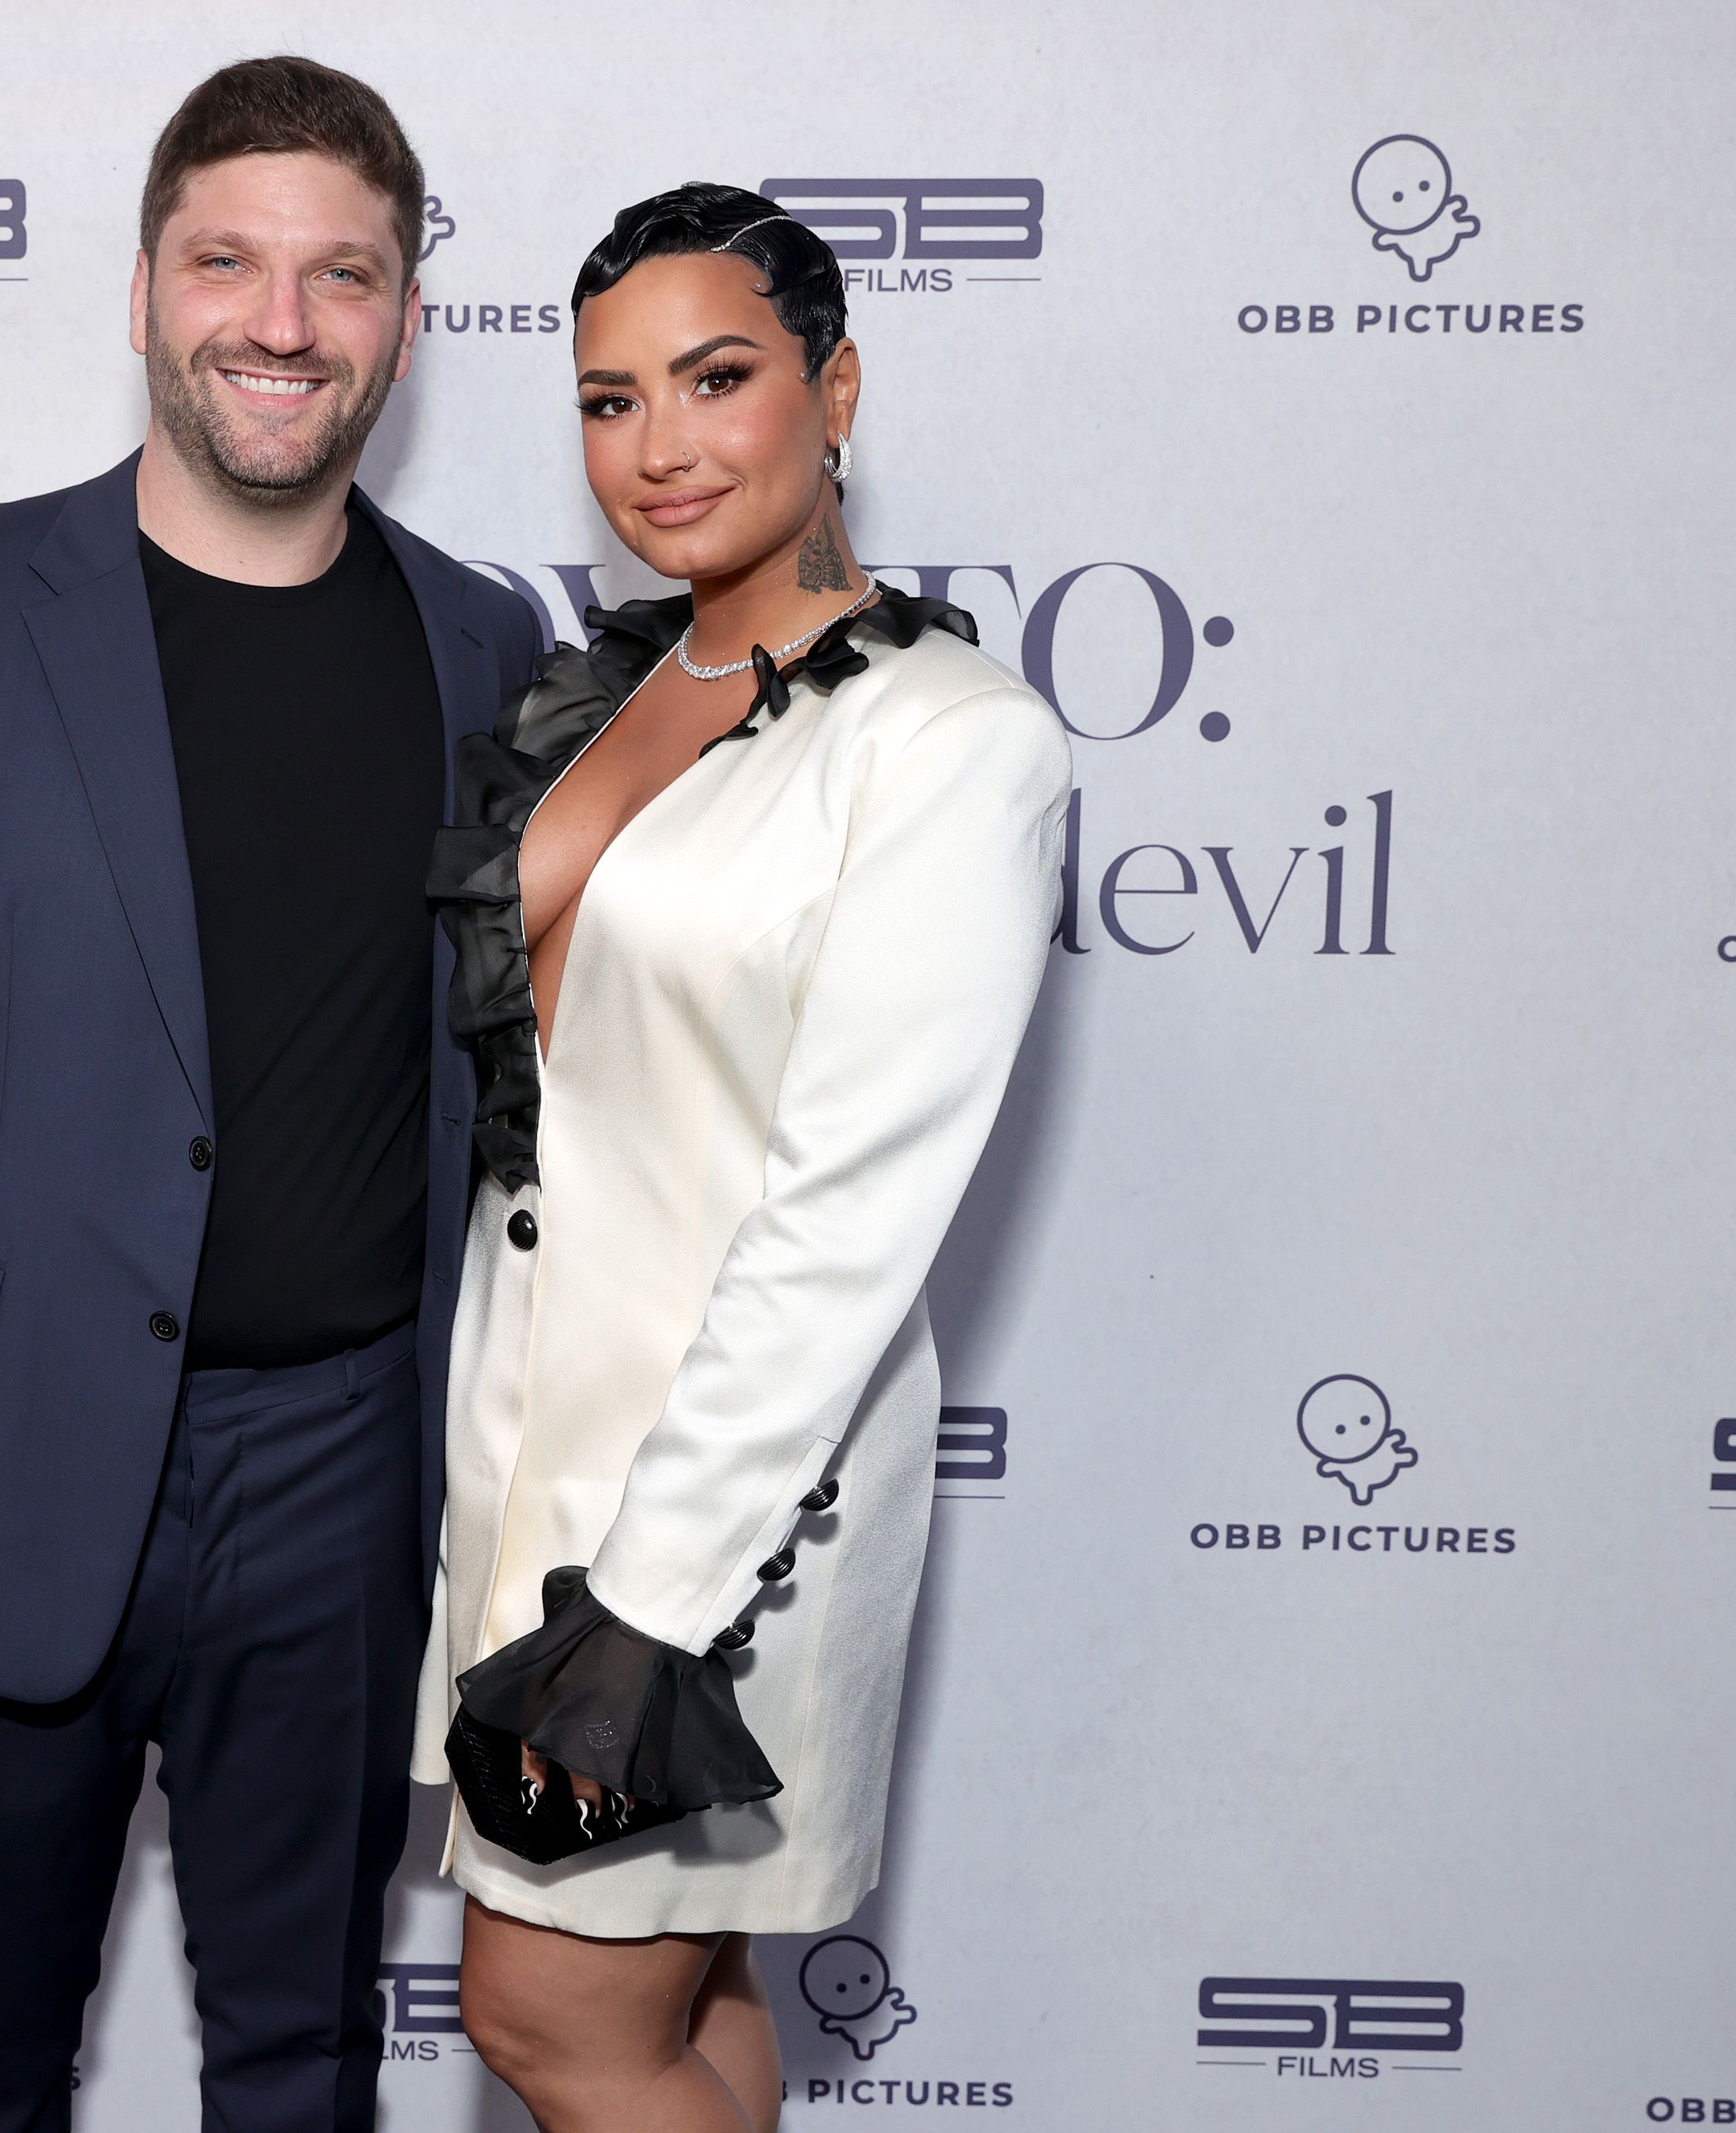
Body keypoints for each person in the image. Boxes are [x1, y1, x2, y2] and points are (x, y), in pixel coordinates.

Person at [0, 57, 543, 2133]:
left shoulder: (480, 641)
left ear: (407, 318)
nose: (283, 321)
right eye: (227, 263)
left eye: (341, 274)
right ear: (145, 289)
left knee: (305, 2069)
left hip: (343, 1480)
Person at [417, 184, 1073, 2131]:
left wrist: (652, 1596)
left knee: (552, 2018)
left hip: (719, 1519)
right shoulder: (608, 690)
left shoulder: (949, 739)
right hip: (530, 1460)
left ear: (832, 389)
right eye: (609, 399)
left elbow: (845, 1217)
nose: (659, 445)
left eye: (715, 379)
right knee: (680, 2003)